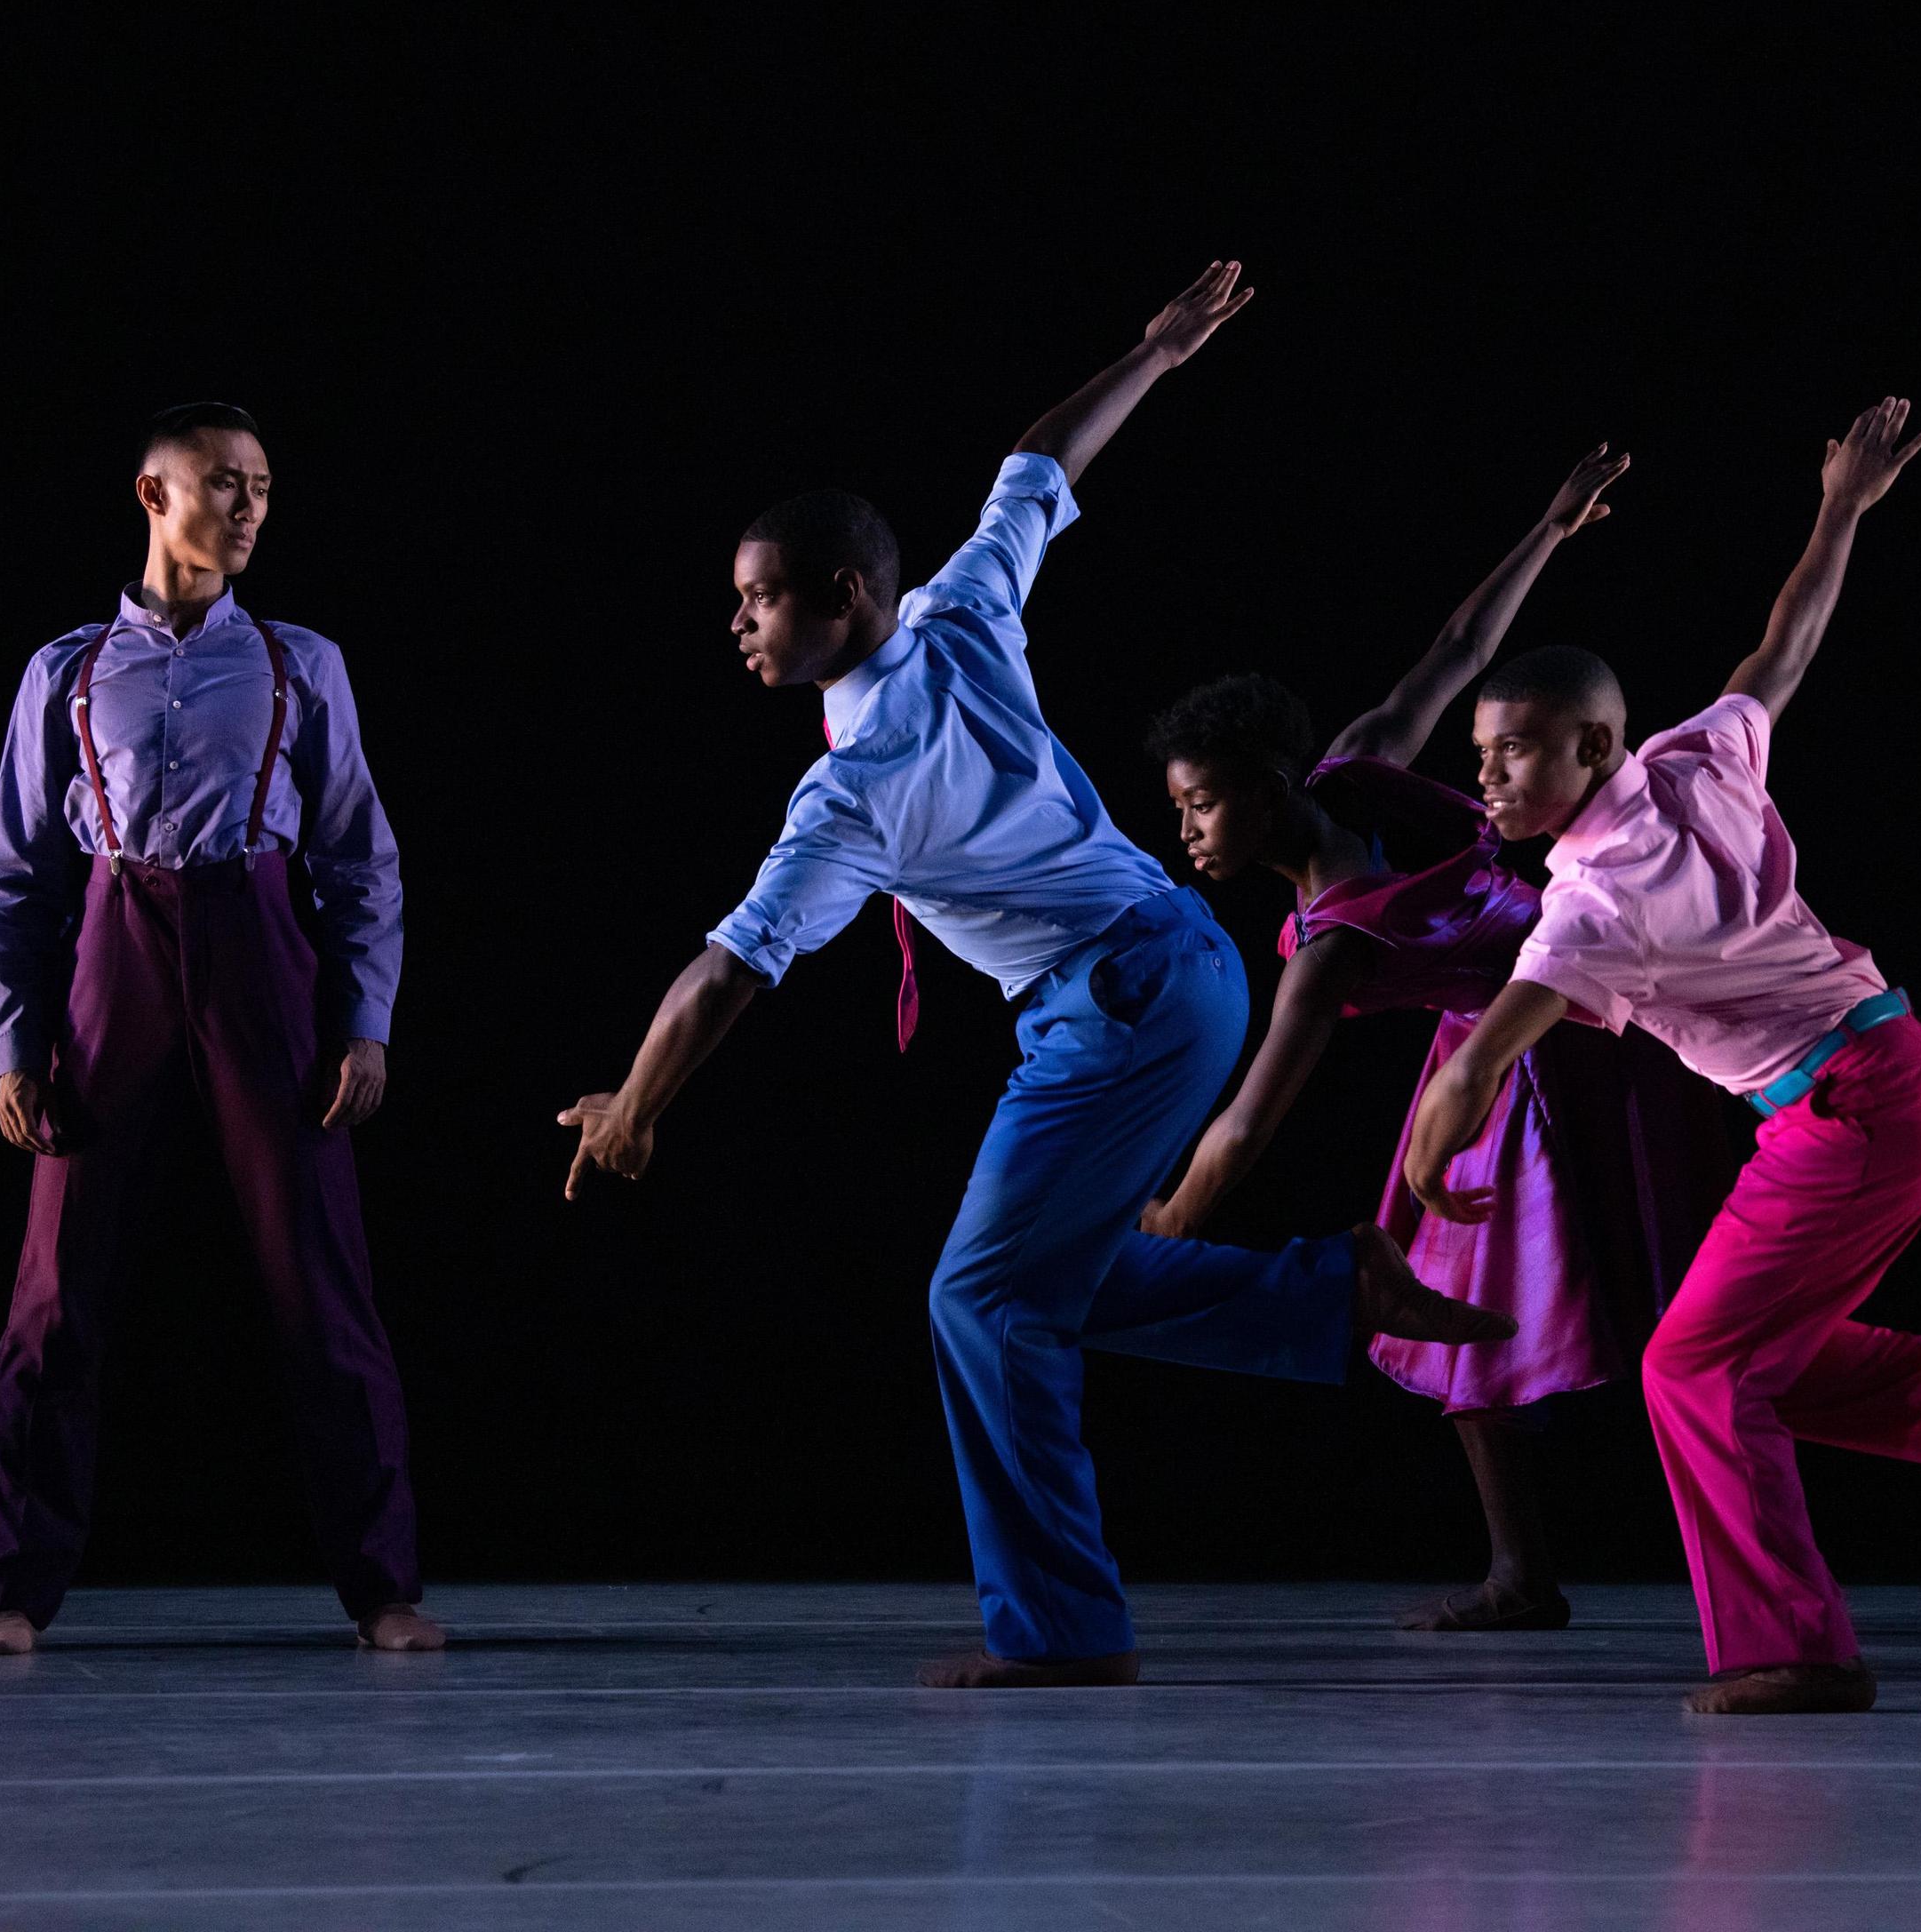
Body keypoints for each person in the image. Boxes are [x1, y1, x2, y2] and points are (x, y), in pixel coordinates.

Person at [557, 266, 1507, 1689]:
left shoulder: (855, 787)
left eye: (762, 601)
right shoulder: (958, 610)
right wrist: (1155, 353)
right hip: (1181, 972)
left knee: (980, 1303)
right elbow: (1038, 464)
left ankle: (1063, 1631)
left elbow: (729, 971)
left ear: (844, 594)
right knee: (1044, 1281)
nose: (741, 624)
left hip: (1118, 996)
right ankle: (1332, 1292)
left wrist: (636, 1106)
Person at [1385, 397, 1921, 1715]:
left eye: (1516, 755)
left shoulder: (1593, 904)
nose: (1493, 786)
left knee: (1689, 1370)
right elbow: (1787, 639)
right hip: (1896, 1083)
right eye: (1482, 760)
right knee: (1762, 1361)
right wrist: (1844, 506)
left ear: (1592, 747)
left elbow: (1473, 1073)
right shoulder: (1699, 757)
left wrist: (1413, 1195)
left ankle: (1795, 1648)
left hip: (1856, 1109)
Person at [1144, 445, 1735, 1632]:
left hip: (1547, 1050)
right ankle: (1527, 1571)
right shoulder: (1360, 773)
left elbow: (1251, 1120)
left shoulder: (1333, 945)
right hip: (1536, 1036)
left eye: (1201, 806)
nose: (1189, 836)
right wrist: (1551, 531)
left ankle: (1639, 1563)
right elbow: (1457, 653)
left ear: (1265, 786)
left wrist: (1158, 1232)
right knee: (1470, 1302)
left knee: (1631, 1304)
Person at [0, 405, 434, 1656]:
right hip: (115, 940)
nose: (248, 507)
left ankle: (384, 1587)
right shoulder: (66, 669)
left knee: (322, 1277)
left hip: (261, 939)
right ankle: (13, 1586)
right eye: (224, 484)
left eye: (265, 489)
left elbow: (358, 857)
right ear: (151, 494)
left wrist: (365, 1021)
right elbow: (15, 871)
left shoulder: (299, 663)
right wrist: (18, 1041)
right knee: (57, 1284)